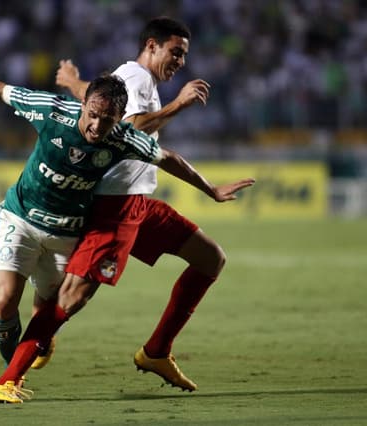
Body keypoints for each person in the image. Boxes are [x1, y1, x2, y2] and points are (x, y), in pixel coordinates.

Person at [0, 72, 254, 404]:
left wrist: (211, 190)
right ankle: (11, 378)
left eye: (108, 119)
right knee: (5, 301)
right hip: (21, 217)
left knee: (46, 312)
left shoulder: (123, 138)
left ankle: (22, 363)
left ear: (121, 118)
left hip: (66, 234)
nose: (97, 126)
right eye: (92, 115)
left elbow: (168, 159)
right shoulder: (50, 110)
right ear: (84, 104)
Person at [31, 16, 224, 392]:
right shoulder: (137, 77)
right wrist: (179, 105)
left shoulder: (132, 78)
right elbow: (127, 129)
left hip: (139, 203)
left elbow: (103, 102)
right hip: (114, 205)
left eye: (184, 55)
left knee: (210, 258)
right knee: (71, 298)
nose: (181, 62)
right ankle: (22, 355)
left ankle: (156, 351)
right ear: (152, 46)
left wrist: (73, 83)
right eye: (176, 52)